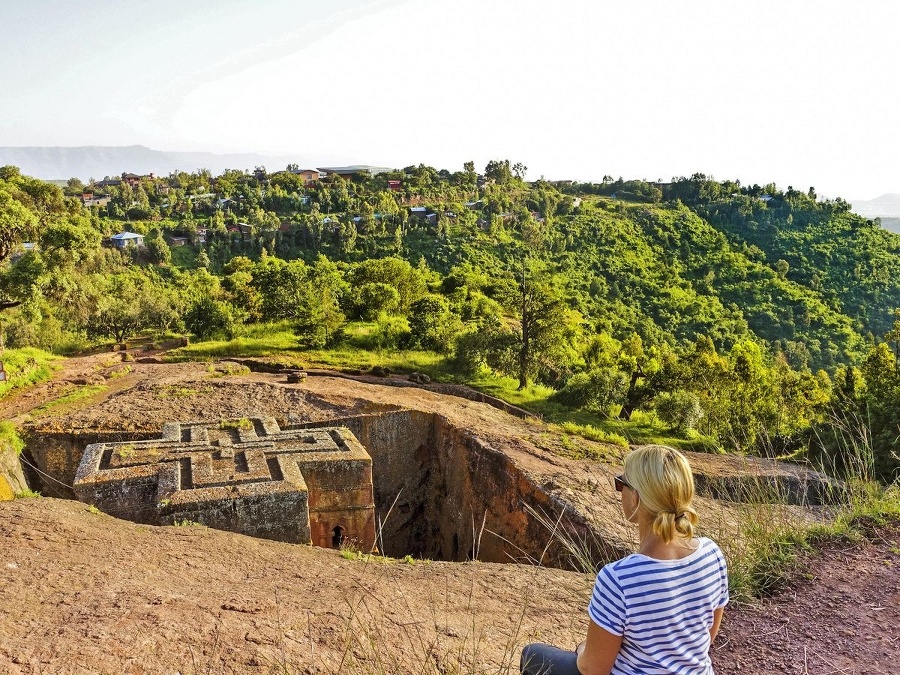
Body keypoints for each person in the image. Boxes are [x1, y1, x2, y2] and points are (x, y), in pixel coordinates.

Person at [521, 444, 729, 675]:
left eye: (621, 484)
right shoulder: (713, 553)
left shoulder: (619, 579)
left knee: (531, 655)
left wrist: (582, 649)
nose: (620, 491)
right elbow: (708, 635)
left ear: (636, 499)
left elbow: (593, 669)